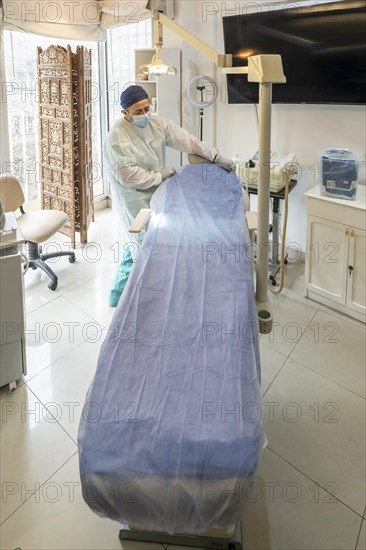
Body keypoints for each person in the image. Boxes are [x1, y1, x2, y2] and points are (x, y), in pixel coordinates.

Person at [104, 84, 236, 307]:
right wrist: (160, 175)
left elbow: (187, 140)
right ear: (125, 114)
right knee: (141, 244)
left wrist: (215, 156)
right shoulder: (117, 137)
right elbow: (127, 176)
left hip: (157, 190)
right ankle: (133, 299)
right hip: (132, 196)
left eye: (147, 108)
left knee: (144, 243)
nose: (145, 114)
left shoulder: (157, 123)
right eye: (138, 112)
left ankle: (120, 293)